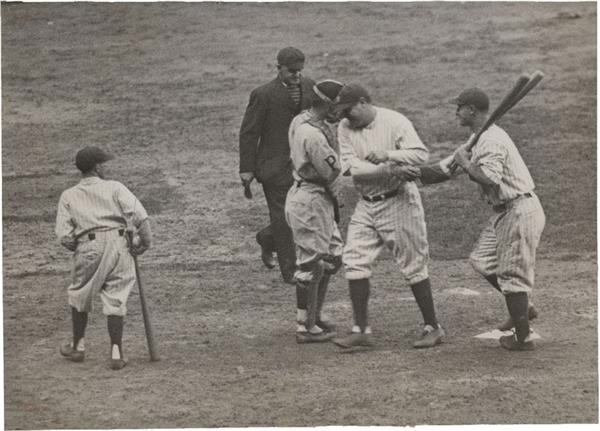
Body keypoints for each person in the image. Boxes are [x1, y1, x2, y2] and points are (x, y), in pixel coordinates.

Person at [420, 87, 545, 351]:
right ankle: (522, 306)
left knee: (512, 276)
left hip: (518, 210)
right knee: (482, 261)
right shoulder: (477, 139)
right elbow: (443, 171)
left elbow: (490, 178)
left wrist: (466, 163)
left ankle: (522, 337)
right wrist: (409, 173)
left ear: (471, 110)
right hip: (505, 212)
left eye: (459, 107)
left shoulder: (490, 140)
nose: (456, 112)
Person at [331, 84, 445, 352]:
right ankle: (361, 331)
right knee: (354, 260)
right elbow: (351, 168)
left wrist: (389, 154)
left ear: (362, 102)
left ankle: (433, 326)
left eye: (348, 110)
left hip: (399, 201)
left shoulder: (395, 121)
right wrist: (389, 168)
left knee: (413, 265)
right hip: (366, 204)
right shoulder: (344, 128)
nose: (345, 116)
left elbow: (420, 154)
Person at [55, 146, 152, 370]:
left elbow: (64, 237)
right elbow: (142, 218)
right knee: (117, 296)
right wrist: (144, 243)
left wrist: (83, 247)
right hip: (120, 245)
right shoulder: (115, 187)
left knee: (80, 293)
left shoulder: (68, 195)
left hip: (88, 245)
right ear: (97, 167)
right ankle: (116, 352)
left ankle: (78, 347)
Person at [239, 47, 315, 318]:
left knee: (299, 214)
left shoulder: (309, 86)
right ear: (279, 68)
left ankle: (266, 237)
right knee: (283, 215)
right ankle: (289, 269)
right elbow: (249, 132)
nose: (297, 75)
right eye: (291, 71)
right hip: (273, 168)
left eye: (299, 70)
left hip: (303, 166)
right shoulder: (263, 94)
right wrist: (246, 169)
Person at [285, 79, 345, 343]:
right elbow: (330, 172)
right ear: (327, 105)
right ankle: (304, 327)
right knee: (310, 263)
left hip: (314, 198)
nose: (340, 112)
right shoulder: (314, 135)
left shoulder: (301, 121)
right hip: (311, 201)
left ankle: (314, 316)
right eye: (337, 107)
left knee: (333, 258)